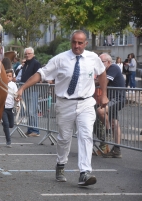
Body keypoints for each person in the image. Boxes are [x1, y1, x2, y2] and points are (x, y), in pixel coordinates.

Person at [16, 30, 109, 186]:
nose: (76, 45)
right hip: (65, 103)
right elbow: (41, 74)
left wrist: (104, 94)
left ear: (85, 44)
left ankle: (85, 172)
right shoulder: (60, 59)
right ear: (70, 42)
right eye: (74, 42)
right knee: (64, 139)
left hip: (86, 103)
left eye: (80, 43)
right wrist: (22, 88)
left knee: (86, 134)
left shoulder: (93, 58)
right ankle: (60, 164)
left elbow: (102, 73)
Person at [97, 53, 125, 158]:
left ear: (108, 62)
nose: (99, 64)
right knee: (114, 122)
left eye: (101, 62)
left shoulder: (113, 68)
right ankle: (117, 150)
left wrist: (91, 81)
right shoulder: (106, 70)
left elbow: (104, 82)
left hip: (118, 99)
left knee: (100, 111)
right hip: (112, 99)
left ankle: (108, 132)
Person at [21, 47, 41, 137]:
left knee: (32, 111)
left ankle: (35, 130)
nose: (27, 55)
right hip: (26, 89)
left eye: (29, 54)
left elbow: (37, 77)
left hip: (33, 90)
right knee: (28, 111)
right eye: (26, 54)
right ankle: (30, 129)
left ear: (33, 54)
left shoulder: (36, 64)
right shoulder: (26, 64)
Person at [2, 69, 19, 148]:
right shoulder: (1, 83)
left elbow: (16, 95)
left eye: (10, 76)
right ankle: (8, 141)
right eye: (7, 76)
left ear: (12, 77)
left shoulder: (13, 85)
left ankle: (5, 126)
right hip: (3, 108)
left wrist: (17, 102)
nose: (8, 77)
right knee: (6, 124)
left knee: (11, 125)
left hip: (10, 107)